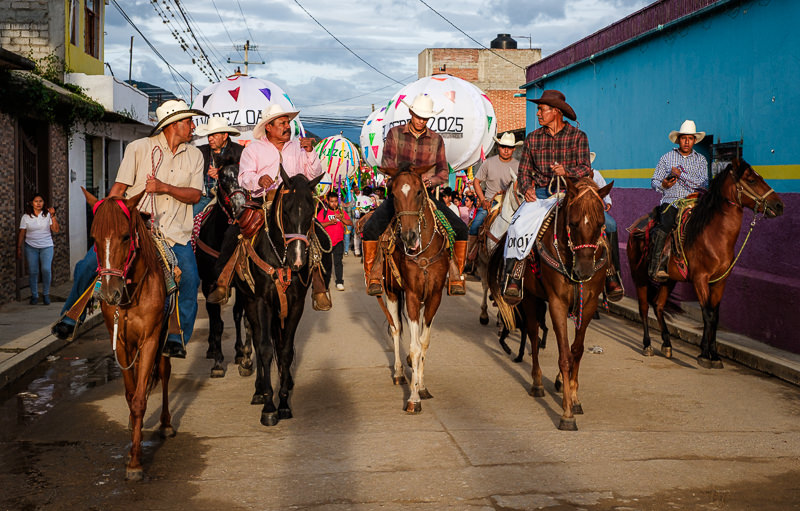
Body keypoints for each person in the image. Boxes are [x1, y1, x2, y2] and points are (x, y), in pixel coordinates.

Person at [52, 99, 205, 359]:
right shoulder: (138, 148)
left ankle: (176, 337)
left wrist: (165, 187)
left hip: (174, 233)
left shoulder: (195, 155)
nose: (193, 126)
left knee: (190, 278)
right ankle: (71, 316)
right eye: (188, 121)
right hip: (137, 229)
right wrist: (106, 214)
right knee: (88, 265)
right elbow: (119, 189)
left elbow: (194, 195)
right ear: (172, 124)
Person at [206, 104, 329, 309]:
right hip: (263, 202)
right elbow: (244, 177)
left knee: (318, 234)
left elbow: (313, 175)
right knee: (234, 233)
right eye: (282, 123)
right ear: (269, 127)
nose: (287, 126)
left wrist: (310, 153)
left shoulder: (300, 147)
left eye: (288, 122)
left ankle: (320, 286)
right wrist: (258, 179)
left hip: (292, 204)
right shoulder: (253, 149)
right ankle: (223, 281)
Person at [361, 94, 468, 297]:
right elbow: (388, 164)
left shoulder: (437, 139)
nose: (421, 121)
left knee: (460, 228)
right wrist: (405, 179)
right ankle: (373, 275)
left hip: (424, 195)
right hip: (399, 196)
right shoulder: (395, 133)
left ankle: (457, 276)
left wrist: (430, 181)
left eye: (425, 118)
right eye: (418, 116)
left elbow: (443, 172)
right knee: (371, 228)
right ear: (411, 113)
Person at [501, 90, 592, 302]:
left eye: (542, 110)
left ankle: (609, 275)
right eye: (539, 110)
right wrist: (527, 188)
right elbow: (524, 171)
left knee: (609, 224)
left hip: (572, 195)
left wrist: (566, 172)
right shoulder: (533, 139)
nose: (538, 114)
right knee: (517, 226)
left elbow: (586, 168)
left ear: (556, 112)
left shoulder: (578, 137)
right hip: (542, 194)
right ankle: (514, 275)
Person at [649, 120, 710, 282]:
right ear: (679, 139)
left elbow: (702, 183)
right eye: (684, 138)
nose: (687, 141)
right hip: (672, 201)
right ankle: (657, 264)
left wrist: (680, 174)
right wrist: (663, 184)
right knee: (666, 223)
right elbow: (654, 181)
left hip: (694, 203)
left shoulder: (701, 160)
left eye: (690, 138)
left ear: (694, 140)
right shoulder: (666, 158)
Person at [193, 116, 244, 216]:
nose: (210, 138)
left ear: (225, 136)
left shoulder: (239, 151)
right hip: (206, 198)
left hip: (231, 199)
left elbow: (245, 176)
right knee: (189, 223)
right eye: (209, 135)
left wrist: (223, 175)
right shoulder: (200, 152)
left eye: (214, 135)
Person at [590, 152, 624, 301]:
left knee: (611, 225)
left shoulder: (595, 174)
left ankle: (612, 270)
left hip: (595, 210)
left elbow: (604, 189)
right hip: (578, 211)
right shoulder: (571, 172)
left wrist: (607, 201)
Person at [17, 193, 60, 305]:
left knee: (46, 269)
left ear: (43, 203)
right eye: (36, 201)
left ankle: (46, 294)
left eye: (40, 201)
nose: (38, 203)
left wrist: (53, 216)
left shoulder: (47, 215)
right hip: (31, 247)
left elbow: (56, 230)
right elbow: (22, 233)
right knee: (33, 271)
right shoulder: (25, 217)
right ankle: (34, 295)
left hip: (47, 246)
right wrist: (19, 247)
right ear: (32, 203)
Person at [317, 191, 353, 291]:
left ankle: (339, 282)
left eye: (336, 201)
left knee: (338, 263)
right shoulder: (323, 212)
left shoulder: (341, 212)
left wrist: (341, 219)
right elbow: (318, 225)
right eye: (332, 201)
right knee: (326, 264)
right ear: (327, 201)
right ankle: (325, 283)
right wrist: (329, 223)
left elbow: (350, 223)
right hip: (327, 242)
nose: (334, 204)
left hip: (339, 241)